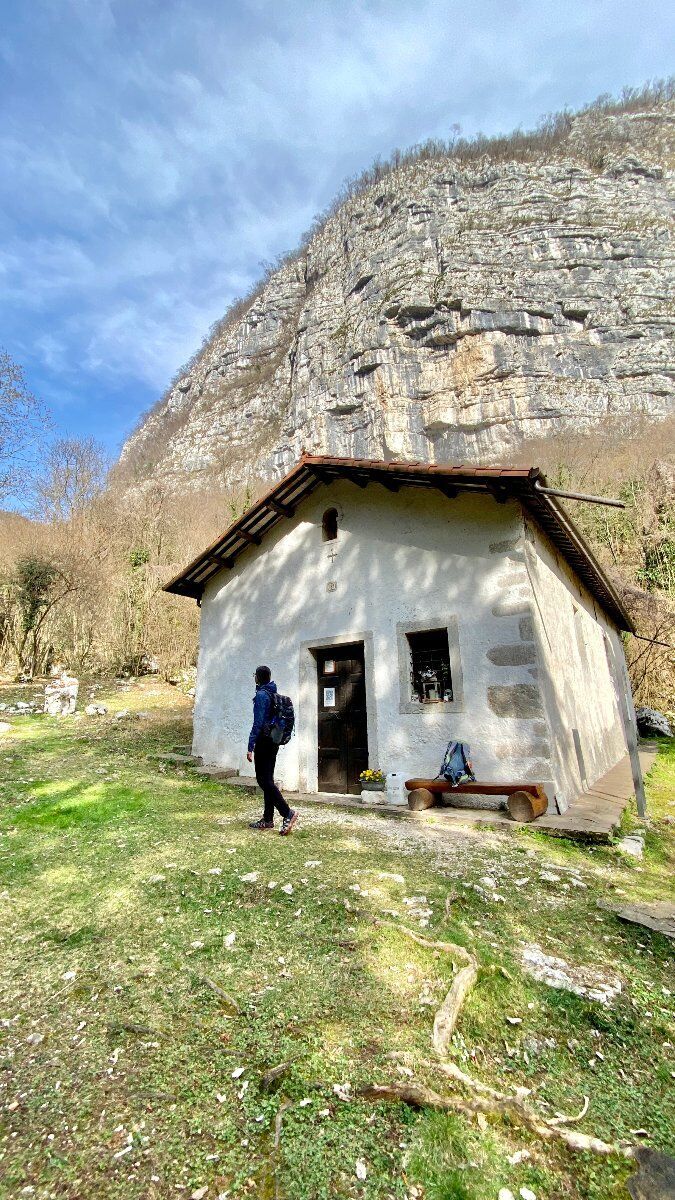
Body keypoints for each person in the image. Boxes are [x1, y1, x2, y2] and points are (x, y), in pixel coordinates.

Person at [247, 665, 297, 835]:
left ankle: (287, 813)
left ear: (258, 678)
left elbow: (258, 723)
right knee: (268, 779)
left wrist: (250, 745)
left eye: (255, 675)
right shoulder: (272, 693)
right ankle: (268, 819)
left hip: (264, 741)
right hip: (273, 742)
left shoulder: (262, 695)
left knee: (263, 780)